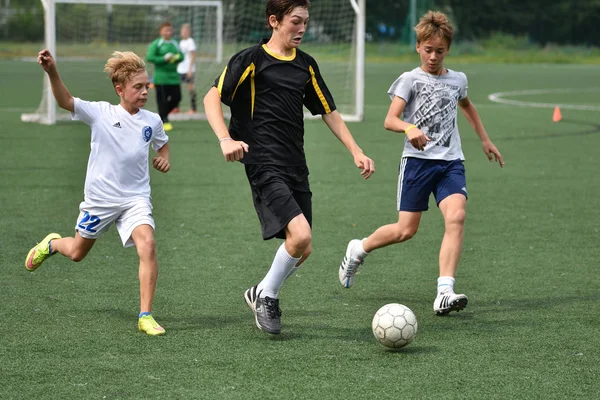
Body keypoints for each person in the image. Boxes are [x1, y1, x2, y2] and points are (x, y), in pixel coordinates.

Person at [204, 0, 375, 335]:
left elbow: (328, 111)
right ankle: (268, 297)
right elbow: (213, 97)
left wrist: (355, 150)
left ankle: (260, 291)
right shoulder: (251, 59)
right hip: (262, 162)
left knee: (303, 248)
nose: (301, 29)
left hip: (296, 164)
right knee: (301, 235)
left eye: (305, 22)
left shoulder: (306, 65)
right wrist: (225, 139)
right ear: (275, 21)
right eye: (295, 21)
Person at [338, 10, 504, 316]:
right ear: (418, 47)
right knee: (405, 230)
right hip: (416, 163)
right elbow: (390, 119)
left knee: (456, 217)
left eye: (439, 51)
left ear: (447, 50)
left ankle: (444, 291)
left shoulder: (457, 79)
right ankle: (359, 248)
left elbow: (466, 105)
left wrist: (484, 138)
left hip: (450, 162)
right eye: (428, 50)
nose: (433, 57)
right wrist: (409, 128)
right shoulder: (409, 80)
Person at [26, 49, 171, 336]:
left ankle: (145, 315)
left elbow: (162, 143)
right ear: (120, 89)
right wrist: (52, 71)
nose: (144, 92)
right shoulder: (101, 113)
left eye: (146, 86)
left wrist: (164, 158)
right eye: (137, 87)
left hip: (135, 199)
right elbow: (65, 100)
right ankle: (53, 244)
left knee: (148, 245)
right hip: (100, 200)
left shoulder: (151, 120)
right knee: (77, 253)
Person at [146, 22, 184, 132]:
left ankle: (161, 116)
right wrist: (164, 58)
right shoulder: (157, 43)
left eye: (170, 30)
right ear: (161, 31)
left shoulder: (175, 43)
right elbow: (150, 57)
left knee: (177, 98)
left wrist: (174, 58)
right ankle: (164, 120)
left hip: (173, 77)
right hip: (160, 78)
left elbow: (181, 56)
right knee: (162, 100)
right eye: (166, 30)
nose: (168, 32)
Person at [177, 23, 198, 115]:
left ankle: (193, 109)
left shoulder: (190, 41)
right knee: (176, 88)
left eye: (185, 30)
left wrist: (190, 69)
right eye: (182, 30)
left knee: (190, 89)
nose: (183, 32)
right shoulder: (181, 42)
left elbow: (193, 56)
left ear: (189, 32)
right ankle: (176, 108)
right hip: (180, 69)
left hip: (188, 70)